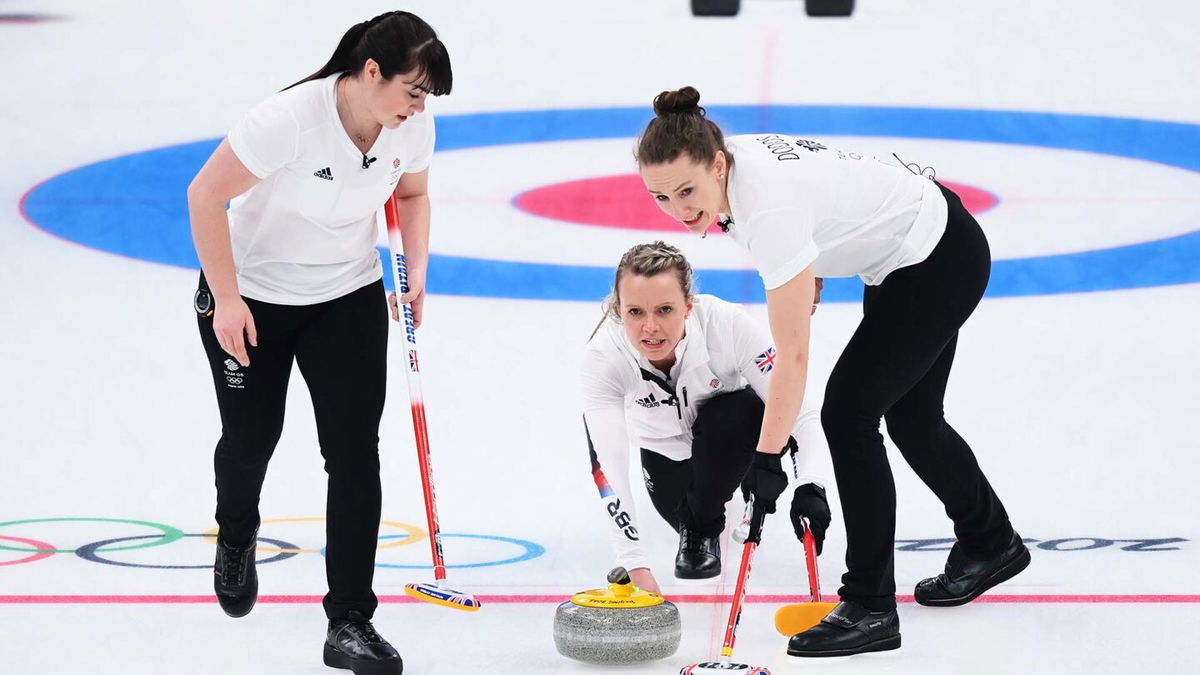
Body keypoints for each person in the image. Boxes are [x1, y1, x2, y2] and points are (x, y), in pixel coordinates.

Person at [635, 87, 1029, 657]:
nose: (678, 209)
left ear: (717, 163)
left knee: (849, 413)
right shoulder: (727, 164)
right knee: (914, 419)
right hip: (917, 251)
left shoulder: (766, 207)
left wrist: (769, 460)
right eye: (660, 196)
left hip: (936, 262)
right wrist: (808, 258)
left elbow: (793, 357)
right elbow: (817, 202)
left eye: (687, 191)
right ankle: (990, 540)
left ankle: (870, 605)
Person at [186, 11, 451, 674]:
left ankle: (350, 620)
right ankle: (237, 531)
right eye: (412, 91)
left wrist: (414, 268)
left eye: (426, 99)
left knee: (356, 454)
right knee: (251, 441)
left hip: (347, 296)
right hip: (253, 298)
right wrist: (226, 296)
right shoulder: (290, 120)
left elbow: (412, 193)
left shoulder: (410, 126)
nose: (419, 109)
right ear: (370, 72)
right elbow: (204, 194)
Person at [580, 241, 831, 595]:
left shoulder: (726, 325)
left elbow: (801, 410)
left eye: (664, 310)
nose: (650, 327)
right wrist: (634, 562)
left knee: (741, 407)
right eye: (635, 312)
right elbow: (608, 466)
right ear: (620, 311)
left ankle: (735, 491)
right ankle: (698, 524)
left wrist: (811, 483)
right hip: (668, 460)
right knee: (686, 511)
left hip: (732, 444)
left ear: (687, 306)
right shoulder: (605, 356)